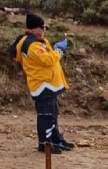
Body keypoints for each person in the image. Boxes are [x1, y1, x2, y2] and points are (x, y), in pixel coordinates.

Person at [13, 13, 75, 154]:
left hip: (48, 84)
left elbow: (46, 57)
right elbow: (47, 60)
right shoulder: (32, 45)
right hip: (42, 85)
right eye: (42, 27)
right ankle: (45, 144)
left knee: (52, 113)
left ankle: (56, 140)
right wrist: (59, 50)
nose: (44, 30)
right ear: (35, 29)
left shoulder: (38, 41)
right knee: (46, 115)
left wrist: (54, 50)